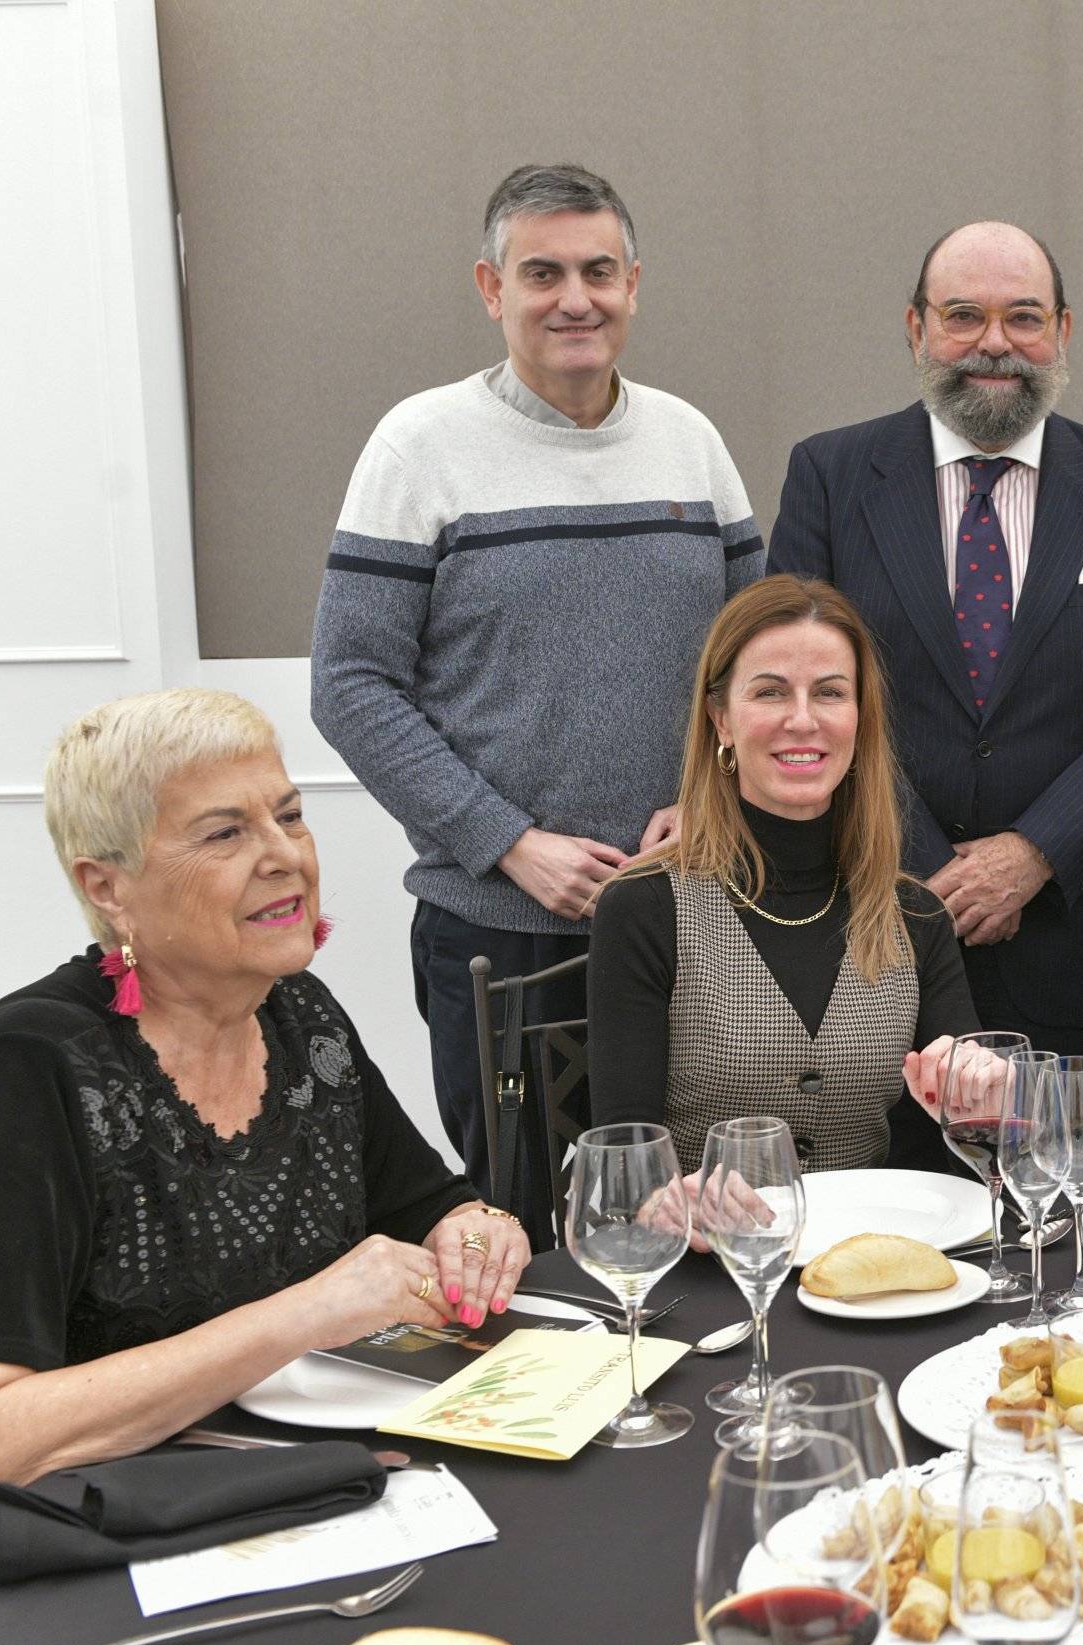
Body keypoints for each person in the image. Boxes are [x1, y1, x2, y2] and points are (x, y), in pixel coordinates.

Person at [0, 690, 529, 1645]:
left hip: (189, 1522)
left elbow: (428, 1201)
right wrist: (308, 1313)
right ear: (111, 887)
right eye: (226, 831)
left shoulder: (299, 1016)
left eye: (289, 814)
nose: (284, 854)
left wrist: (475, 1232)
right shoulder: (35, 1068)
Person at [310, 162, 764, 1199]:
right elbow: (349, 684)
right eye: (542, 272)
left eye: (598, 271)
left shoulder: (690, 443)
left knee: (708, 1208)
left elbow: (756, 666)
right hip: (500, 943)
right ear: (490, 287)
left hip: (693, 914)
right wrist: (509, 843)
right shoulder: (418, 446)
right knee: (534, 1229)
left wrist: (711, 801)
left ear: (634, 284)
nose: (574, 299)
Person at [766, 219, 1083, 1131]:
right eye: (963, 315)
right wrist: (928, 872)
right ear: (915, 328)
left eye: (1023, 317)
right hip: (872, 933)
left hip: (1066, 942)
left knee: (1063, 1212)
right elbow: (798, 699)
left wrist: (1032, 853)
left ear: (1064, 332)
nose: (995, 343)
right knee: (893, 1225)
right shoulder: (831, 476)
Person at [589, 576, 979, 1173]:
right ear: (720, 719)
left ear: (859, 718)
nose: (802, 720)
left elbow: (970, 1132)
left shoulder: (917, 914)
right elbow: (626, 1164)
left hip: (872, 1255)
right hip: (712, 1260)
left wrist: (987, 1090)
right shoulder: (644, 908)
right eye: (770, 693)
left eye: (829, 693)